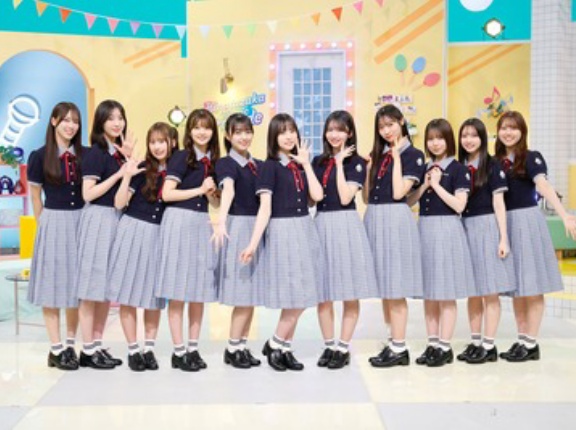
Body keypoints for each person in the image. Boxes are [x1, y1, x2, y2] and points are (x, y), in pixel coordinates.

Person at [240, 113, 324, 372]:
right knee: (296, 293)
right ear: (273, 137)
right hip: (283, 231)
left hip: (304, 228)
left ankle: (283, 347)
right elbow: (264, 208)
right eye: (282, 132)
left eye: (292, 131)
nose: (289, 136)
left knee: (302, 293)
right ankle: (276, 343)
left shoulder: (300, 165)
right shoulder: (269, 167)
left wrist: (307, 164)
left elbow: (317, 195)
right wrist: (253, 244)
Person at [495, 111, 576, 362]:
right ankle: (522, 340)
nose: (508, 132)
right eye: (504, 128)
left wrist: (564, 214)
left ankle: (531, 343)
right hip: (505, 224)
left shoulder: (531, 157)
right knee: (517, 287)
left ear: (522, 131)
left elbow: (543, 185)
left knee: (532, 285)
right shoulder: (495, 161)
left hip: (527, 222)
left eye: (513, 128)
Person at [312, 110, 378, 369]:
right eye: (330, 129)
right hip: (321, 224)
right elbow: (313, 198)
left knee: (349, 291)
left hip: (346, 225)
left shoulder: (357, 163)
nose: (334, 134)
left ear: (349, 133)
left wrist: (339, 164)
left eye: (340, 129)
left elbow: (345, 197)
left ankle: (343, 346)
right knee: (324, 293)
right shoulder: (317, 161)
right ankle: (329, 345)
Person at [157, 109, 220, 372]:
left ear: (213, 132)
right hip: (179, 221)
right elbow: (167, 194)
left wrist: (212, 193)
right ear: (189, 131)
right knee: (178, 289)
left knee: (197, 290)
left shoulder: (215, 162)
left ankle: (193, 348)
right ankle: (178, 350)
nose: (201, 132)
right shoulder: (181, 157)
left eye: (206, 127)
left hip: (201, 222)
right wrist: (200, 189)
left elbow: (214, 203)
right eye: (196, 127)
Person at [363, 105, 426, 368]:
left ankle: (400, 347)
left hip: (395, 219)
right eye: (381, 127)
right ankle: (392, 340)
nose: (386, 131)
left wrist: (397, 158)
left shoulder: (413, 155)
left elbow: (400, 193)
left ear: (401, 122)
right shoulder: (380, 155)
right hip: (375, 217)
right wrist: (369, 169)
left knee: (396, 286)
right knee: (385, 288)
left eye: (390, 124)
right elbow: (366, 197)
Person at [409, 118, 475, 367]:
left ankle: (445, 347)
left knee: (446, 293)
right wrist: (425, 184)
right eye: (431, 139)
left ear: (449, 140)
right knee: (430, 294)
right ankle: (433, 343)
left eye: (440, 138)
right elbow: (409, 201)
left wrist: (436, 186)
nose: (435, 143)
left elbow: (459, 205)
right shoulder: (425, 168)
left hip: (447, 229)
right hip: (424, 229)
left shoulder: (459, 170)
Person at [108, 122, 174, 371]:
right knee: (128, 293)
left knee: (152, 297)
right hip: (132, 230)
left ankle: (149, 349)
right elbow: (119, 203)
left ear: (172, 142)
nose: (157, 147)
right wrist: (127, 174)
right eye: (153, 142)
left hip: (158, 235)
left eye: (162, 141)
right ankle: (133, 350)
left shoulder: (179, 171)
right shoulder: (142, 168)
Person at [27, 102, 87, 370]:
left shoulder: (85, 155)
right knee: (52, 286)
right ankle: (56, 348)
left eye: (75, 121)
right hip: (53, 221)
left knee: (76, 286)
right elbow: (35, 196)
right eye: (66, 120)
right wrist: (43, 225)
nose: (71, 126)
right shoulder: (39, 156)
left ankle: (70, 344)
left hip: (81, 221)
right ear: (53, 121)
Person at [77, 100, 135, 369]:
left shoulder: (118, 154)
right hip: (98, 219)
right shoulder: (95, 153)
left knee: (105, 289)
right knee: (91, 288)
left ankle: (97, 346)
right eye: (111, 118)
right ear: (100, 122)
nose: (117, 123)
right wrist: (119, 174)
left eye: (120, 117)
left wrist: (127, 162)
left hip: (116, 219)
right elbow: (88, 193)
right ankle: (87, 350)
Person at [456, 118, 513, 364]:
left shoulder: (492, 165)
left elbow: (499, 203)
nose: (468, 140)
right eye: (464, 135)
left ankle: (489, 346)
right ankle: (475, 341)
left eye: (474, 135)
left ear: (482, 138)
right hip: (465, 227)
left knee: (490, 291)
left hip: (487, 226)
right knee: (473, 292)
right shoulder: (459, 166)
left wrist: (503, 238)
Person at [213, 113, 263, 369]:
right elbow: (228, 190)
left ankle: (241, 346)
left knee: (251, 294)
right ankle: (232, 348)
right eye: (238, 132)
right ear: (228, 136)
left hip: (257, 228)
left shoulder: (258, 164)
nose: (244, 137)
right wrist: (221, 221)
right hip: (240, 226)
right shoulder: (225, 163)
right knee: (243, 292)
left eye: (247, 132)